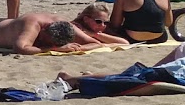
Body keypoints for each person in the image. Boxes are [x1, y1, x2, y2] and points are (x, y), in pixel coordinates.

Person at [54, 39, 185, 95]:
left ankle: (84, 77)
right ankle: (73, 79)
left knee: (142, 73)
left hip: (172, 68)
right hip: (171, 73)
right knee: (140, 76)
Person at [0, 12, 108, 54]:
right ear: (45, 29)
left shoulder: (65, 25)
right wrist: (52, 49)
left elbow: (95, 44)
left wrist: (79, 48)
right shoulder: (34, 25)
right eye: (46, 40)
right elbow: (20, 48)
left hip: (12, 26)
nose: (47, 43)